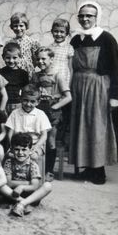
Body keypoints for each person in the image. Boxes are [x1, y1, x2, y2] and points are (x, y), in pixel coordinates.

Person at [68, 1, 118, 185]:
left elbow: (116, 70)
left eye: (89, 16)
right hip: (78, 87)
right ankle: (87, 168)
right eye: (82, 15)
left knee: (97, 127)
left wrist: (114, 96)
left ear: (96, 17)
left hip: (98, 87)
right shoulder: (75, 40)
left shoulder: (106, 38)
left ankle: (99, 171)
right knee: (81, 127)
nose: (85, 19)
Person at [32, 46, 73, 181]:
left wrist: (55, 107)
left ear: (51, 59)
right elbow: (32, 93)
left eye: (44, 59)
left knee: (50, 141)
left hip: (52, 113)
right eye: (38, 59)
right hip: (38, 111)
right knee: (36, 138)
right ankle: (35, 169)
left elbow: (68, 97)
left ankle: (49, 171)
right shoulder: (36, 76)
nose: (40, 61)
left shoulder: (57, 75)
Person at [0, 132, 53, 217]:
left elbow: (34, 186)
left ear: (30, 151)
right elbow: (8, 183)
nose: (20, 153)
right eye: (17, 149)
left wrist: (22, 187)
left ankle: (22, 203)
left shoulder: (33, 165)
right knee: (0, 184)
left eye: (24, 149)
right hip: (12, 194)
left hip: (30, 195)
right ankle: (23, 202)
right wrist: (28, 183)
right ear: (11, 150)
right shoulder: (9, 162)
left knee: (48, 186)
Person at [5, 85, 51, 163]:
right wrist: (12, 145)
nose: (28, 104)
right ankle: (14, 171)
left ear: (38, 102)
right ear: (20, 99)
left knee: (33, 156)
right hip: (17, 144)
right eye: (25, 100)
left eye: (32, 101)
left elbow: (44, 135)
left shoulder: (40, 114)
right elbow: (10, 133)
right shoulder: (15, 113)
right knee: (9, 155)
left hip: (34, 144)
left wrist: (36, 147)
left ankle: (32, 170)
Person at [0, 43, 30, 115]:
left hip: (18, 104)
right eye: (8, 58)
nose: (11, 61)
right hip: (3, 104)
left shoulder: (23, 74)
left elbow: (26, 91)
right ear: (3, 57)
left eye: (14, 58)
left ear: (20, 57)